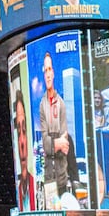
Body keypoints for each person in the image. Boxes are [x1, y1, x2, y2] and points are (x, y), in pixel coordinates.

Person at [38, 53, 75, 202]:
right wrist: (55, 144)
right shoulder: (42, 104)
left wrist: (57, 143)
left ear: (53, 73)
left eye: (49, 70)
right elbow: (46, 143)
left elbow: (64, 142)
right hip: (48, 175)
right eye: (45, 70)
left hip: (62, 175)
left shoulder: (61, 103)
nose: (47, 74)